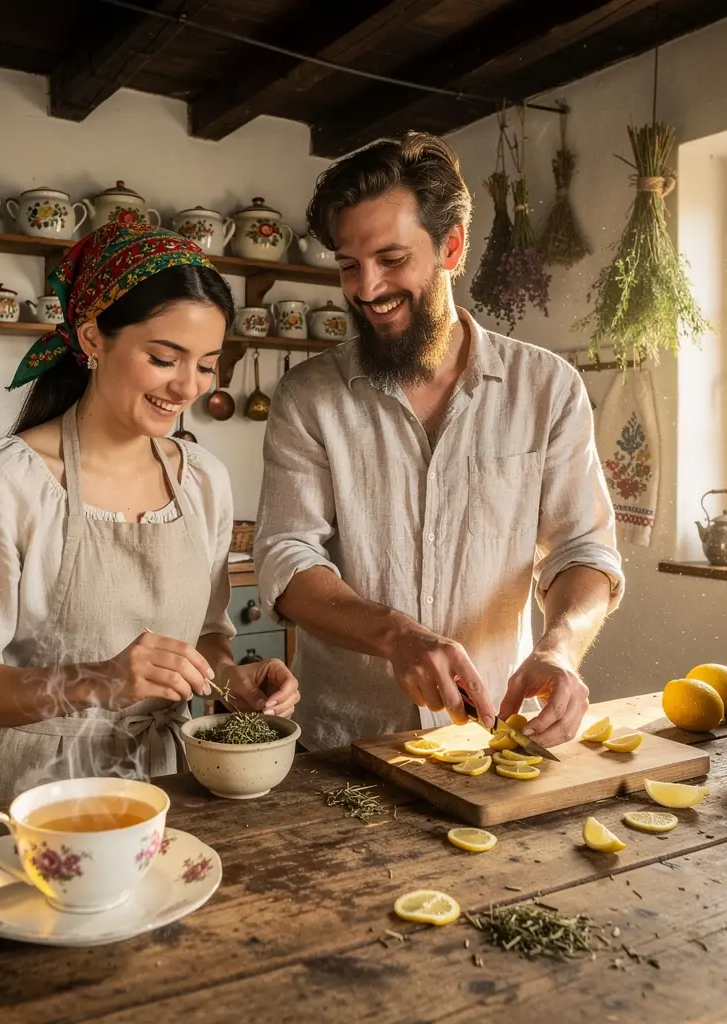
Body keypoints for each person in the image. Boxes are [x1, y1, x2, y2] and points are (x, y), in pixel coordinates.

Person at [0, 222, 299, 809]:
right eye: (165, 358)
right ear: (93, 338)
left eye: (208, 364)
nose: (188, 386)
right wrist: (98, 681)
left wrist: (232, 682)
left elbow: (208, 638)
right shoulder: (4, 481)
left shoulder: (203, 481)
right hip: (35, 798)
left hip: (173, 786)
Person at [254, 131, 623, 753]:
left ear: (451, 248)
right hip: (344, 748)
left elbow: (581, 548)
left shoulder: (546, 388)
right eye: (350, 265)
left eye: (392, 260)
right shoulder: (307, 397)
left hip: (489, 739)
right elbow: (287, 560)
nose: (366, 289)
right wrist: (397, 635)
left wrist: (560, 650)